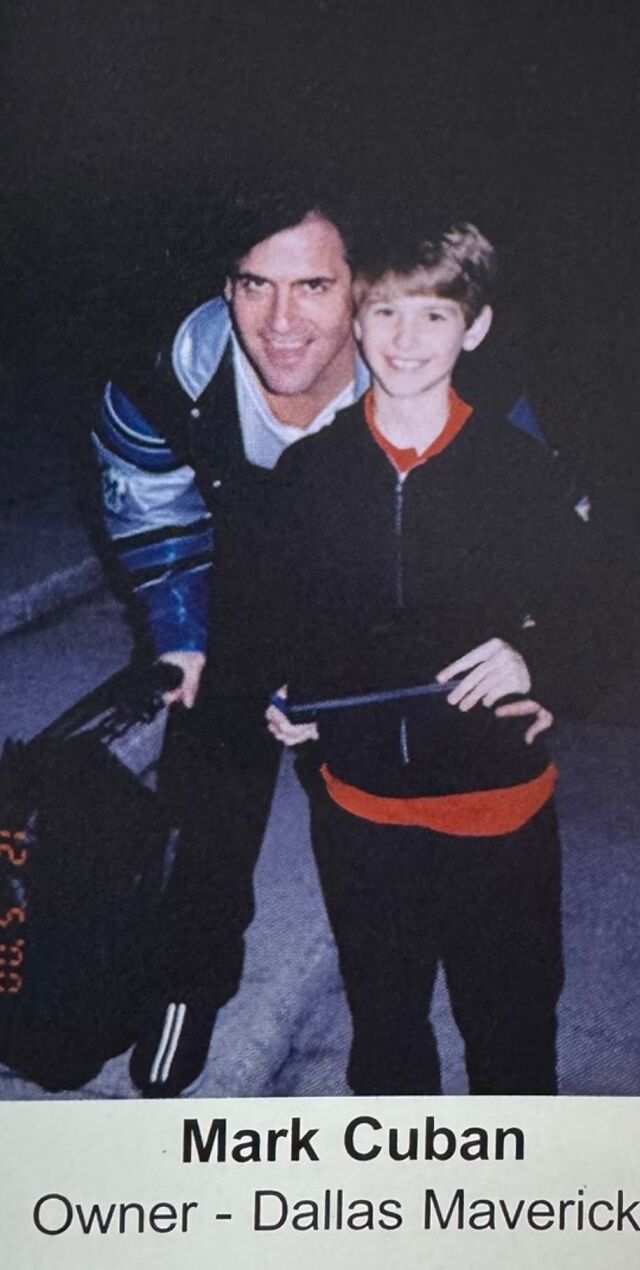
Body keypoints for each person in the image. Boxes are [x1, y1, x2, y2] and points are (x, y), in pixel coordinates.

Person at [92, 178, 551, 1097]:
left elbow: (536, 543)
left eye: (313, 288)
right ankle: (190, 982)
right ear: (228, 290)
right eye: (255, 284)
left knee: (379, 781)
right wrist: (180, 630)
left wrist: (532, 649)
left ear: (362, 292)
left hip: (368, 595)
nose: (281, 319)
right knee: (211, 749)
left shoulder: (447, 378)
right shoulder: (165, 373)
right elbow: (147, 502)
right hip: (243, 567)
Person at [265, 214, 595, 1094]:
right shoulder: (309, 474)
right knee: (385, 1030)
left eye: (436, 316)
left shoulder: (522, 473)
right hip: (362, 814)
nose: (406, 340)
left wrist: (539, 662)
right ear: (356, 322)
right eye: (385, 314)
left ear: (475, 327)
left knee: (514, 1028)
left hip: (499, 812)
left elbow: (598, 615)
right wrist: (278, 691)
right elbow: (281, 618)